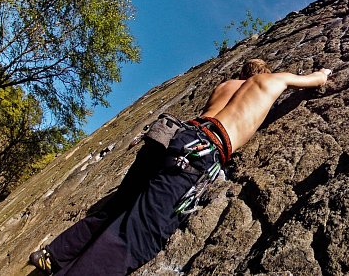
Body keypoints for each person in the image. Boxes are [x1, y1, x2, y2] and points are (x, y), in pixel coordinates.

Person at [29, 59, 331, 275]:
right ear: (266, 72)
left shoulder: (226, 85)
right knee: (139, 234)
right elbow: (315, 81)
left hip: (174, 135)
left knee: (120, 204)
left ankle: (53, 255)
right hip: (203, 149)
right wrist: (323, 73)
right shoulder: (270, 81)